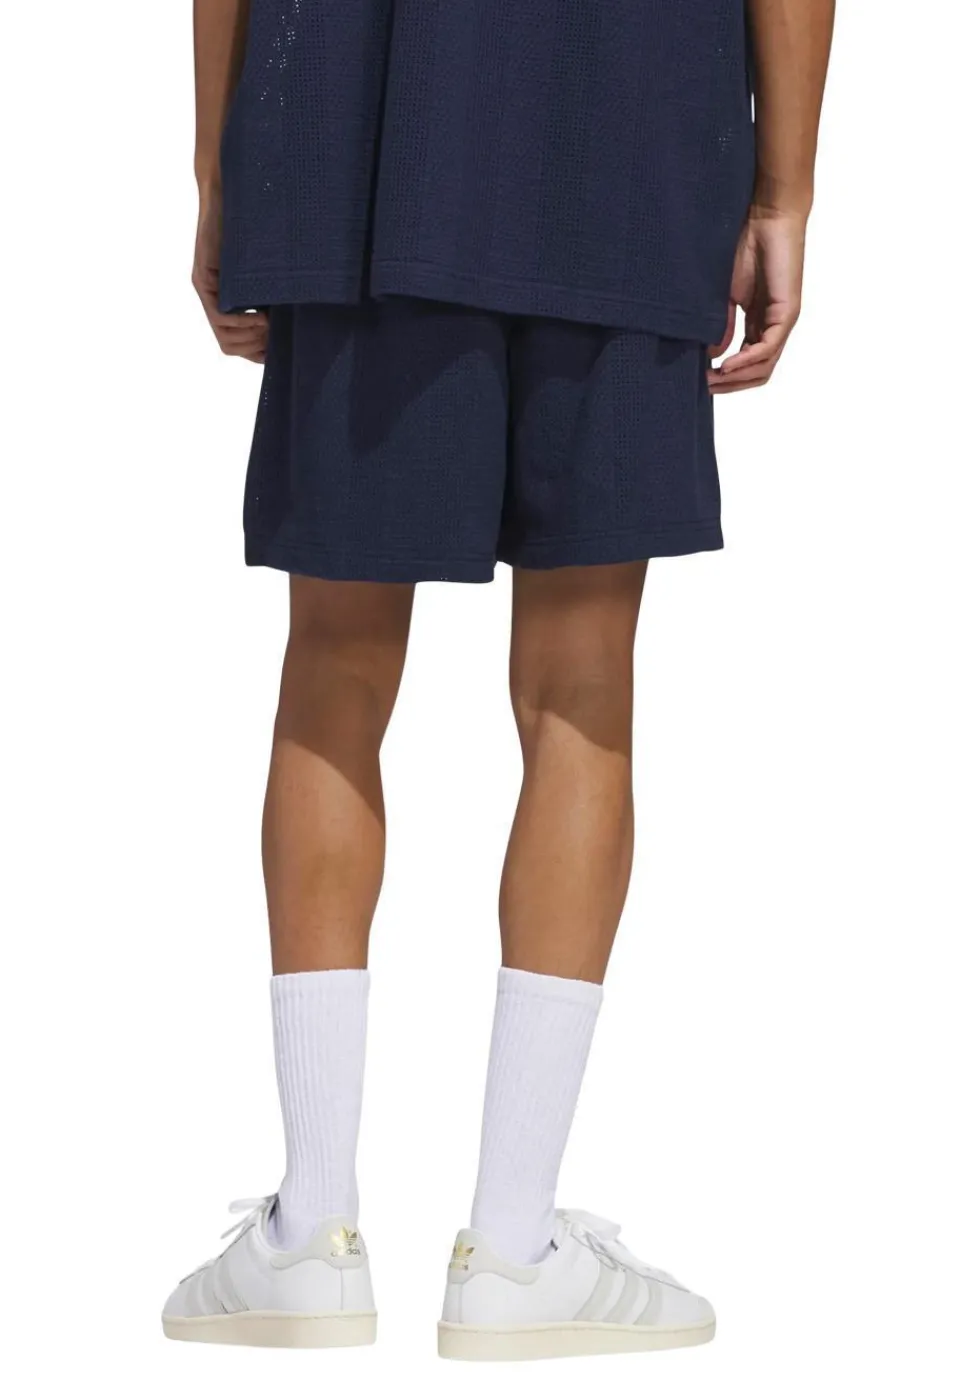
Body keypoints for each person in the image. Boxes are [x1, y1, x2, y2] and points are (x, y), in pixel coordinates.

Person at [163, 0, 834, 1360]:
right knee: (581, 682)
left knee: (336, 668)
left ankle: (310, 1241)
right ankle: (514, 1251)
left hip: (357, 143)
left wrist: (225, 164)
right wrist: (785, 190)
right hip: (632, 135)